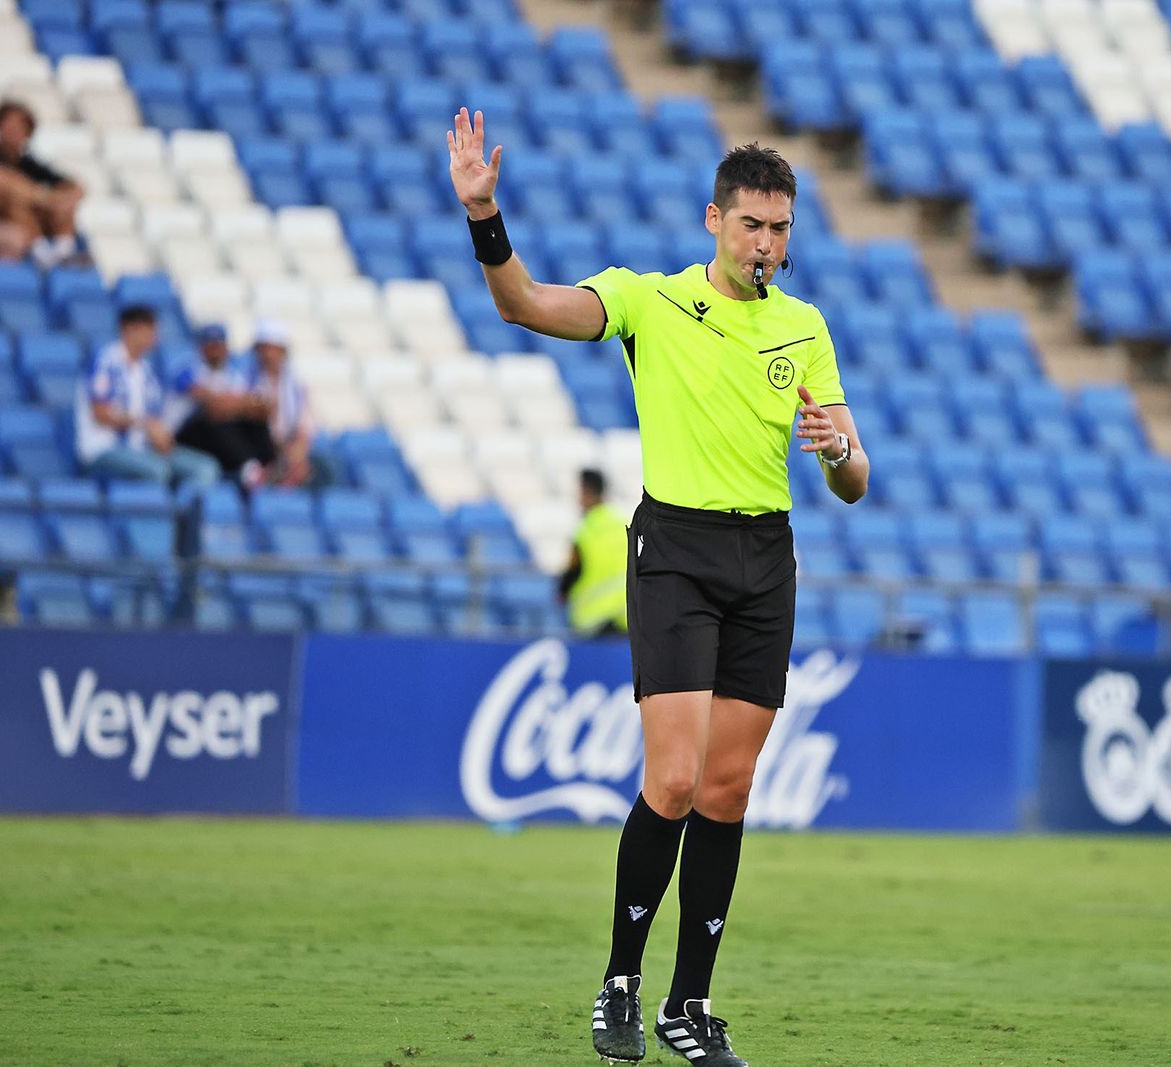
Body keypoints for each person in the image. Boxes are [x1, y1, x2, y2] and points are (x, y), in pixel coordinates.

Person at [448, 109, 868, 1066]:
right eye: (751, 223)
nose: (767, 242)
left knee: (727, 789)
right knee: (673, 779)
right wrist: (485, 219)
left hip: (768, 558)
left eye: (781, 227)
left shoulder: (804, 328)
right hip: (675, 548)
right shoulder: (650, 300)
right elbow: (526, 305)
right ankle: (621, 982)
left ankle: (691, 1003)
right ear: (713, 219)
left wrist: (840, 449)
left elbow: (854, 475)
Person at [76, 305, 220, 493]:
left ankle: (186, 519)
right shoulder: (105, 362)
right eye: (148, 330)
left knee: (205, 468)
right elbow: (100, 413)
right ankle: (153, 520)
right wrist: (146, 425)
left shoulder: (147, 371)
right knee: (157, 470)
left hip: (143, 448)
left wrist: (161, 436)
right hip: (103, 449)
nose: (154, 337)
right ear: (128, 329)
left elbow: (154, 417)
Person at [0, 99, 84, 267]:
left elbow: (75, 187)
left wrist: (59, 200)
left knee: (63, 203)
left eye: (19, 128)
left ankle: (63, 253)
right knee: (10, 198)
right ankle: (42, 254)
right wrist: (44, 198)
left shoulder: (30, 165)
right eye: (9, 126)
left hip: (28, 223)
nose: (13, 132)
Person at [169, 323, 275, 488]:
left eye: (219, 345)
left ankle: (268, 465)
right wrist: (241, 404)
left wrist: (240, 405)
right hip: (184, 436)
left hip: (216, 440)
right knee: (215, 419)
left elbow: (261, 406)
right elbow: (214, 405)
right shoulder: (189, 370)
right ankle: (249, 468)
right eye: (211, 345)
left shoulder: (233, 374)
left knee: (255, 421)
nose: (216, 350)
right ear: (201, 347)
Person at [248, 319, 331, 489]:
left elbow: (304, 427)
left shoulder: (295, 387)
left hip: (287, 450)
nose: (269, 355)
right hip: (257, 449)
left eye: (274, 349)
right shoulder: (244, 380)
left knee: (324, 467)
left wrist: (294, 453)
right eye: (265, 348)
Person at [559, 468, 629, 638]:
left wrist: (562, 592)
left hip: (593, 623)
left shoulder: (585, 532)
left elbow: (572, 571)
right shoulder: (624, 523)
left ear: (586, 492)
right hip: (627, 619)